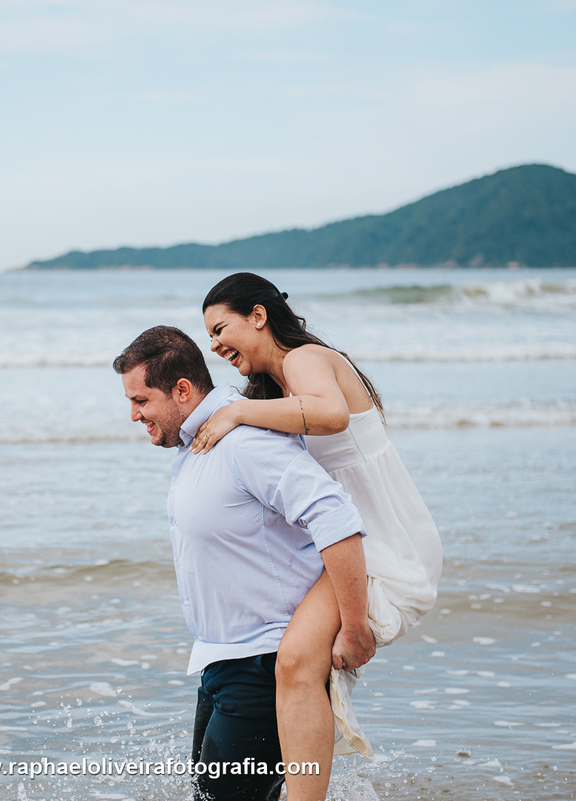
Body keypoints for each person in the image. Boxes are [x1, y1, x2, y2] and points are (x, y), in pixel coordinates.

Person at [196, 272, 443, 800]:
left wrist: (236, 411)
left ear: (258, 316)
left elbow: (331, 415)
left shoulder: (304, 359)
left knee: (294, 662)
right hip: (351, 537)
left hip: (377, 543)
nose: (214, 345)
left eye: (220, 329)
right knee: (290, 665)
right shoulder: (278, 388)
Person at [113, 325, 375, 801]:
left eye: (141, 401)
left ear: (182, 390)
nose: (134, 415)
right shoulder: (200, 443)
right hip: (222, 664)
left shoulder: (244, 442)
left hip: (264, 667)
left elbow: (334, 514)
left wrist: (354, 626)